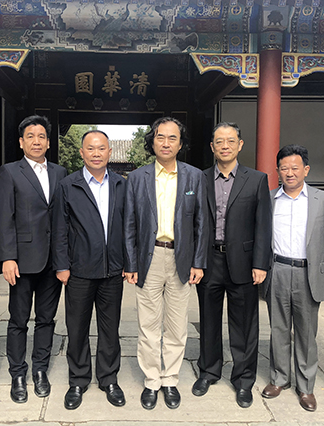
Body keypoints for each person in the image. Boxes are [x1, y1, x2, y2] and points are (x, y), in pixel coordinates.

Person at [124, 117, 209, 410]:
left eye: (173, 138)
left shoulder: (194, 177)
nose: (166, 143)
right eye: (160, 137)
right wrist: (131, 263)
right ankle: (151, 380)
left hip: (181, 257)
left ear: (180, 144)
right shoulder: (137, 178)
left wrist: (198, 262)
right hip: (149, 257)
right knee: (148, 324)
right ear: (152, 141)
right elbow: (129, 223)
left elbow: (201, 222)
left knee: (176, 324)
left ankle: (170, 378)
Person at [193, 122, 271, 408]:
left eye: (230, 141)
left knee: (245, 323)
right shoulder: (199, 179)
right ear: (212, 147)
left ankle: (243, 379)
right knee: (208, 320)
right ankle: (208, 371)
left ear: (240, 145)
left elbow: (263, 225)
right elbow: (193, 221)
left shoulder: (257, 179)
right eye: (219, 141)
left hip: (244, 262)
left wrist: (260, 263)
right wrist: (195, 260)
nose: (224, 146)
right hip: (209, 260)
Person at [0, 115, 68, 403]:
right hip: (22, 260)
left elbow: (62, 218)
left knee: (46, 319)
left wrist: (64, 260)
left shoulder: (60, 172)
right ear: (21, 142)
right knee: (19, 319)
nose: (36, 141)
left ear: (48, 143)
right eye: (30, 136)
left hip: (52, 260)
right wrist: (7, 257)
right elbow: (4, 218)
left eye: (41, 136)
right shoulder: (10, 172)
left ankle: (40, 369)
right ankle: (17, 373)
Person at [52, 130, 127, 410]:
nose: (96, 153)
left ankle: (109, 379)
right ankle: (78, 380)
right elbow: (59, 228)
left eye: (101, 148)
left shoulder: (120, 184)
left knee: (110, 329)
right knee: (77, 328)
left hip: (112, 271)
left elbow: (128, 226)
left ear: (110, 152)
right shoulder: (68, 185)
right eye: (91, 148)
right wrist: (62, 265)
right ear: (82, 152)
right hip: (79, 270)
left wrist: (128, 263)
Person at [261, 145, 324, 412]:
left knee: (306, 332)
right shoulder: (269, 199)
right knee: (278, 328)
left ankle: (305, 386)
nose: (289, 173)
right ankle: (279, 378)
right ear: (277, 171)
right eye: (284, 168)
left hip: (307, 272)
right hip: (278, 269)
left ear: (306, 169)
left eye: (295, 168)